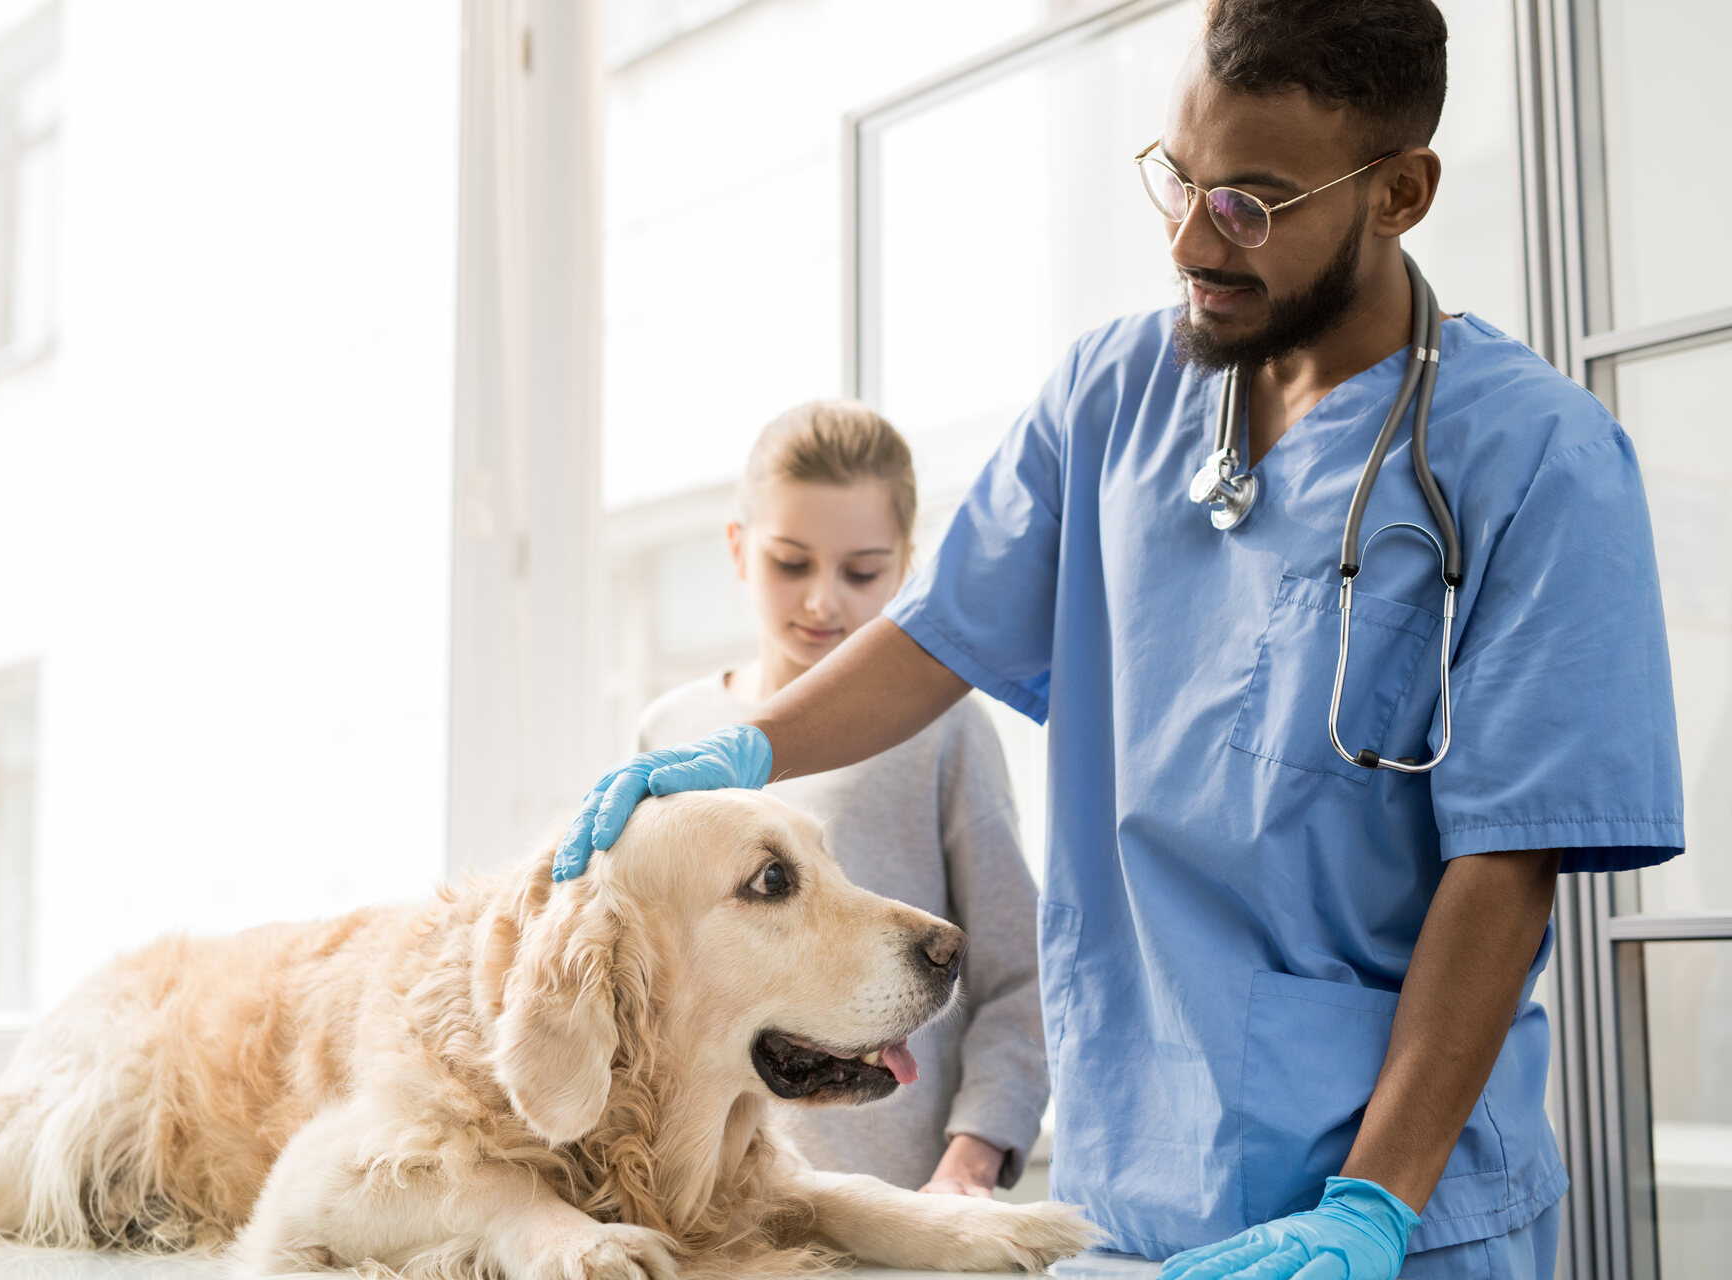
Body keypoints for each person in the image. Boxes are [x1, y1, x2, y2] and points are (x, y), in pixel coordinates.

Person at [557, 2, 1685, 1278]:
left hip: (1398, 1218)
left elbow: (1506, 865)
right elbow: (939, 637)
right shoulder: (1113, 396)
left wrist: (1369, 1205)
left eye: (1251, 204)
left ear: (1400, 193)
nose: (1192, 238)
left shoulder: (1538, 461)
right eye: (1178, 176)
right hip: (1126, 1205)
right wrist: (741, 751)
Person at [634, 399, 1048, 1198]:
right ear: (738, 548)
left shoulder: (943, 734)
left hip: (899, 1209)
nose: (824, 600)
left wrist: (971, 1162)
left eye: (862, 572)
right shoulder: (671, 733)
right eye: (792, 563)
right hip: (728, 1216)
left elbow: (1020, 979)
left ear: (907, 565)